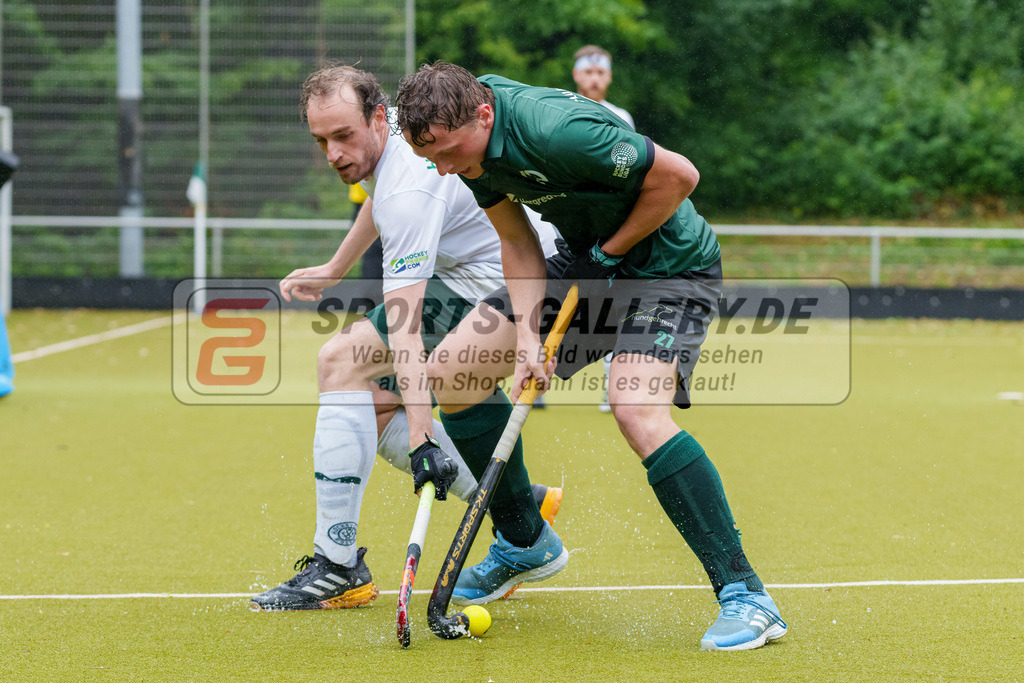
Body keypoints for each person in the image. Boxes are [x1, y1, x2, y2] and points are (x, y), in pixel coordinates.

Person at [395, 62, 787, 650]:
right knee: (456, 369)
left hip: (666, 269)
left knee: (635, 408)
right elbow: (515, 239)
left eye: (450, 153)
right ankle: (525, 542)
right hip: (586, 266)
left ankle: (747, 595)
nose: (446, 169)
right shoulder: (467, 149)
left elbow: (680, 177)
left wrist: (609, 252)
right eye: (435, 160)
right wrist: (528, 337)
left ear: (483, 114)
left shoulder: (560, 130)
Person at [251, 64, 563, 611]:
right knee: (364, 400)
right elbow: (376, 193)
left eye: (343, 137)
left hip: (503, 278)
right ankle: (511, 503)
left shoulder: (410, 189)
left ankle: (338, 566)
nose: (333, 154)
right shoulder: (392, 131)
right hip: (471, 271)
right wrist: (336, 266)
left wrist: (421, 436)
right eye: (321, 140)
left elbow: (406, 328)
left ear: (376, 117)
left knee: (341, 363)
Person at [572, 44, 634, 411]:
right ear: (577, 75)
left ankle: (615, 389)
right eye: (588, 72)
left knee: (615, 303)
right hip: (565, 221)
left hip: (607, 225)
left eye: (601, 73)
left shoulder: (621, 116)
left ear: (608, 77)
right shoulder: (564, 108)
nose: (595, 79)